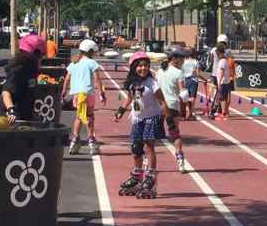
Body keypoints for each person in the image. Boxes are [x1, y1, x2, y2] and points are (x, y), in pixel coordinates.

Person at [115, 52, 168, 198]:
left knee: (149, 146)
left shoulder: (152, 83)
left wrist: (168, 120)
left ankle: (150, 176)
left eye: (145, 66)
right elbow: (130, 99)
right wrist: (120, 111)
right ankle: (137, 175)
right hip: (138, 118)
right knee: (136, 147)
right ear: (133, 68)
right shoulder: (133, 83)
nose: (143, 68)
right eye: (139, 66)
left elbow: (162, 102)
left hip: (152, 117)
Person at [60, 39, 106, 155]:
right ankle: (91, 141)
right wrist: (101, 93)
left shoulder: (74, 63)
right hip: (88, 93)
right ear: (90, 51)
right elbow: (97, 79)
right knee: (90, 116)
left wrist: (64, 91)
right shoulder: (92, 63)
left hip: (76, 95)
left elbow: (67, 78)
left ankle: (75, 140)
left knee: (78, 117)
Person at [158, 46, 190, 173]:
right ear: (175, 59)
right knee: (175, 134)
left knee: (151, 135)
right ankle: (180, 161)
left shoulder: (160, 70)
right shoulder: (179, 73)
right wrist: (187, 106)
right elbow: (183, 93)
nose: (183, 61)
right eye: (182, 58)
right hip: (172, 107)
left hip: (159, 106)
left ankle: (146, 162)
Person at [0, 34, 46, 122]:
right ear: (34, 53)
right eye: (41, 55)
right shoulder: (19, 68)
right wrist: (11, 110)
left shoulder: (31, 68)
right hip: (10, 119)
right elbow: (6, 92)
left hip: (25, 116)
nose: (41, 58)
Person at [209, 34, 232, 106]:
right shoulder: (228, 51)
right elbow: (229, 61)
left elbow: (211, 61)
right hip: (224, 74)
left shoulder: (213, 50)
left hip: (215, 72)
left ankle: (215, 103)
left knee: (216, 89)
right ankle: (222, 107)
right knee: (224, 91)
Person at [182, 47, 202, 120]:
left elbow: (181, 72)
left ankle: (188, 110)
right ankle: (191, 112)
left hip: (185, 80)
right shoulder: (195, 62)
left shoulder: (184, 61)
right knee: (193, 97)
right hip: (193, 80)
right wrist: (205, 79)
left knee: (187, 96)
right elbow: (197, 73)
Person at [215, 43, 232, 120]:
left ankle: (223, 113)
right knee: (223, 98)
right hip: (225, 81)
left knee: (222, 98)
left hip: (222, 82)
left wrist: (219, 83)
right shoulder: (225, 60)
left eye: (217, 54)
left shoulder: (222, 61)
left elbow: (221, 72)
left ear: (219, 53)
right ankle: (224, 112)